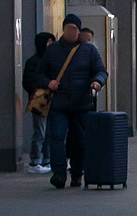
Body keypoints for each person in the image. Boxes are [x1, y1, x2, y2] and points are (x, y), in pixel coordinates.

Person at [39, 14, 107, 189]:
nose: (71, 32)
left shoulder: (89, 50)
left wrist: (97, 82)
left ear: (78, 31)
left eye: (75, 29)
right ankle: (59, 173)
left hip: (81, 103)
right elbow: (39, 73)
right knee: (57, 138)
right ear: (63, 29)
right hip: (58, 103)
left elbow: (101, 70)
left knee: (80, 140)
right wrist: (48, 82)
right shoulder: (52, 50)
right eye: (69, 28)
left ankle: (77, 172)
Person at [22, 32, 54, 173]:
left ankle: (46, 159)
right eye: (48, 42)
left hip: (49, 98)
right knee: (40, 131)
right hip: (39, 98)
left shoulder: (50, 60)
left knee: (48, 131)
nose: (50, 45)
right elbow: (28, 81)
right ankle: (35, 161)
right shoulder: (34, 61)